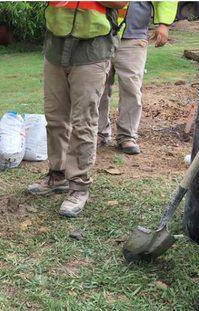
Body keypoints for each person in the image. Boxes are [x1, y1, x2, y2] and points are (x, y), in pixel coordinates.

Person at [27, 1, 126, 217]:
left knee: (84, 122)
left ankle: (79, 186)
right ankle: (57, 175)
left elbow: (121, 3)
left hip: (92, 49)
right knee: (55, 119)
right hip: (55, 47)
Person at [97, 2, 177, 154]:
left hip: (134, 36)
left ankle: (127, 136)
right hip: (100, 34)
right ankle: (98, 132)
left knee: (131, 88)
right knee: (98, 86)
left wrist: (164, 24)